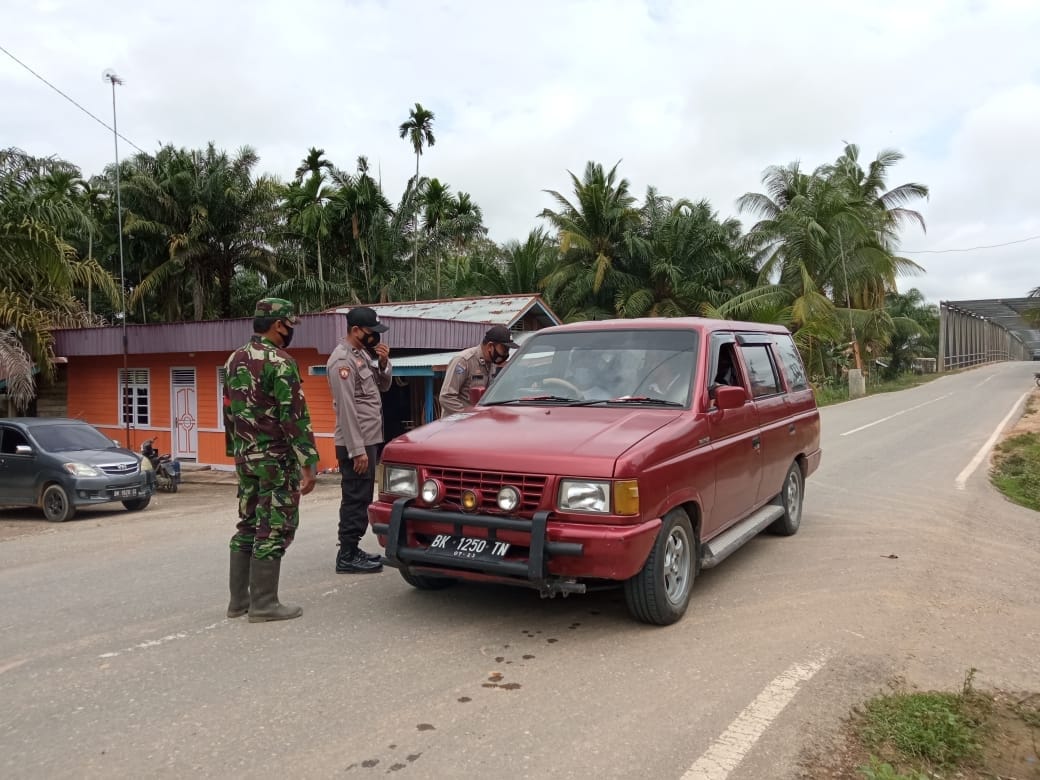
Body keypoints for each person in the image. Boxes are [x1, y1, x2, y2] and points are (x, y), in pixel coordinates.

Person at [222, 297, 318, 623]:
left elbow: (228, 412)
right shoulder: (280, 362)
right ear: (279, 324)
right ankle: (264, 603)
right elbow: (294, 417)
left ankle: (239, 602)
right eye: (290, 324)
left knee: (247, 523)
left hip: (245, 456)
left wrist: (235, 451)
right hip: (275, 459)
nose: (292, 331)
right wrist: (308, 462)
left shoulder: (233, 360)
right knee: (274, 526)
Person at [327, 306, 392, 573]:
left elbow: (383, 387)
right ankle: (347, 554)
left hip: (367, 439)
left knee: (362, 496)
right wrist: (357, 450)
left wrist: (384, 364)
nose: (376, 337)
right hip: (356, 443)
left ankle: (353, 549)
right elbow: (346, 408)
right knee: (355, 497)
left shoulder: (362, 356)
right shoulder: (342, 360)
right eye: (371, 332)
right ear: (355, 330)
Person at [439, 324, 519, 417]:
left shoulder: (492, 364)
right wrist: (467, 417)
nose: (506, 353)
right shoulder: (463, 361)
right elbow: (446, 397)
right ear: (490, 346)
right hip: (457, 426)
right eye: (504, 349)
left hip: (479, 424)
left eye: (508, 350)